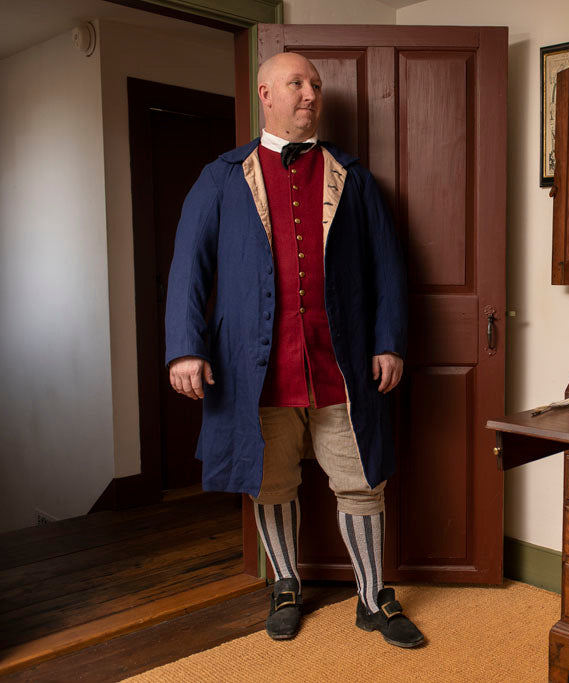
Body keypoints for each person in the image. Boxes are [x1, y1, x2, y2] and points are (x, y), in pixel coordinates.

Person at [164, 51, 422, 647]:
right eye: (297, 83)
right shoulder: (221, 176)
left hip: (341, 363)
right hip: (255, 368)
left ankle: (372, 599)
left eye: (316, 85)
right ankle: (285, 584)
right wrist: (185, 349)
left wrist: (389, 342)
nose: (310, 94)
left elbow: (387, 268)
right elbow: (188, 270)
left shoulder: (351, 177)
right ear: (265, 94)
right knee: (271, 482)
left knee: (361, 480)